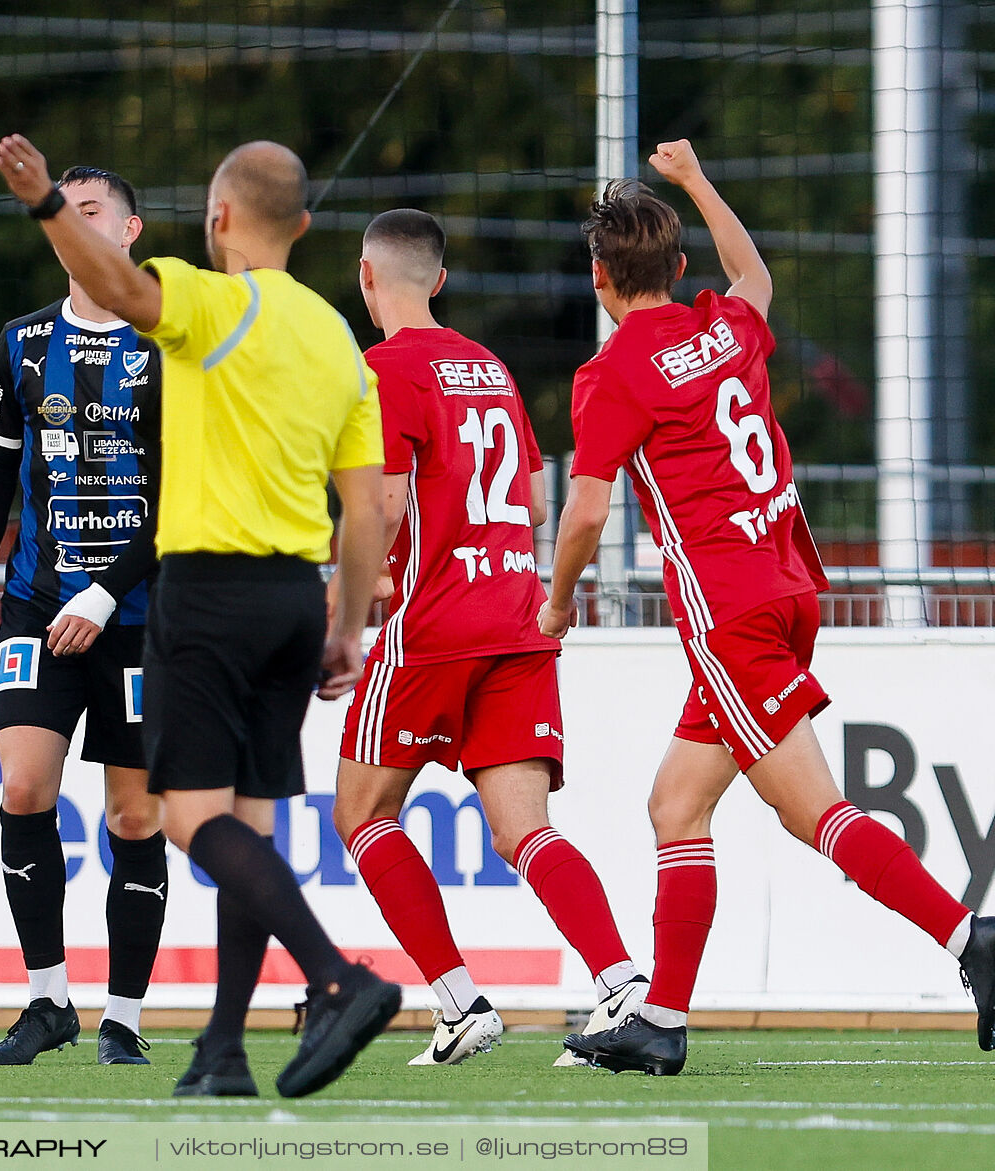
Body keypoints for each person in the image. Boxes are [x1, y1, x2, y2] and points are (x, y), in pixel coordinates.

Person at [538, 141, 995, 1076]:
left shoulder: (612, 377)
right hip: (790, 580)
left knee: (818, 815)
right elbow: (753, 271)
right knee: (676, 805)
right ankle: (663, 1020)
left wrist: (558, 607)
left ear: (599, 277)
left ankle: (969, 935)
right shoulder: (725, 325)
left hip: (728, 611)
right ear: (680, 269)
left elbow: (587, 511)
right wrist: (694, 181)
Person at [0, 134, 400, 1100]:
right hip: (299, 600)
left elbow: (119, 288)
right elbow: (367, 502)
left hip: (210, 592)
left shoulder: (216, 302)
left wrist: (49, 203)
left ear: (218, 221)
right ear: (303, 227)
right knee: (250, 826)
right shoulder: (341, 340)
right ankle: (222, 1047)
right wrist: (347, 624)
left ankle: (337, 977)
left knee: (185, 818)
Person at [332, 210, 647, 1068]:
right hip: (514, 618)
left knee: (362, 812)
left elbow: (386, 505)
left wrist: (346, 609)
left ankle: (459, 1000)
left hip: (433, 628)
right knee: (524, 830)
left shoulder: (383, 368)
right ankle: (621, 983)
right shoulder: (489, 367)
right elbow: (538, 505)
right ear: (438, 280)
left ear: (368, 279)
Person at [0, 165, 169, 1068]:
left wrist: (109, 587)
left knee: (132, 816)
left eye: (88, 213)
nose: (69, 228)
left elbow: (187, 490)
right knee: (24, 786)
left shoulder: (171, 344)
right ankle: (48, 1001)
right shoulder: (22, 341)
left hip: (142, 612)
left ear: (129, 231)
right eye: (59, 215)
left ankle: (125, 1015)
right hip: (36, 606)